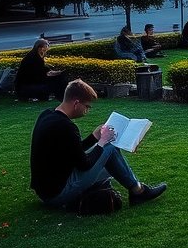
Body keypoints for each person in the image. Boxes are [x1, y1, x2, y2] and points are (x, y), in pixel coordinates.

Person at [30, 78, 167, 212]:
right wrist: (101, 142)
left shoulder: (47, 115)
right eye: (87, 106)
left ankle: (136, 189)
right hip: (57, 193)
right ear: (76, 103)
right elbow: (84, 164)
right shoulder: (67, 127)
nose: (87, 111)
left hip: (45, 190)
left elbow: (73, 152)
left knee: (109, 156)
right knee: (110, 148)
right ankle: (138, 191)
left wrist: (94, 137)